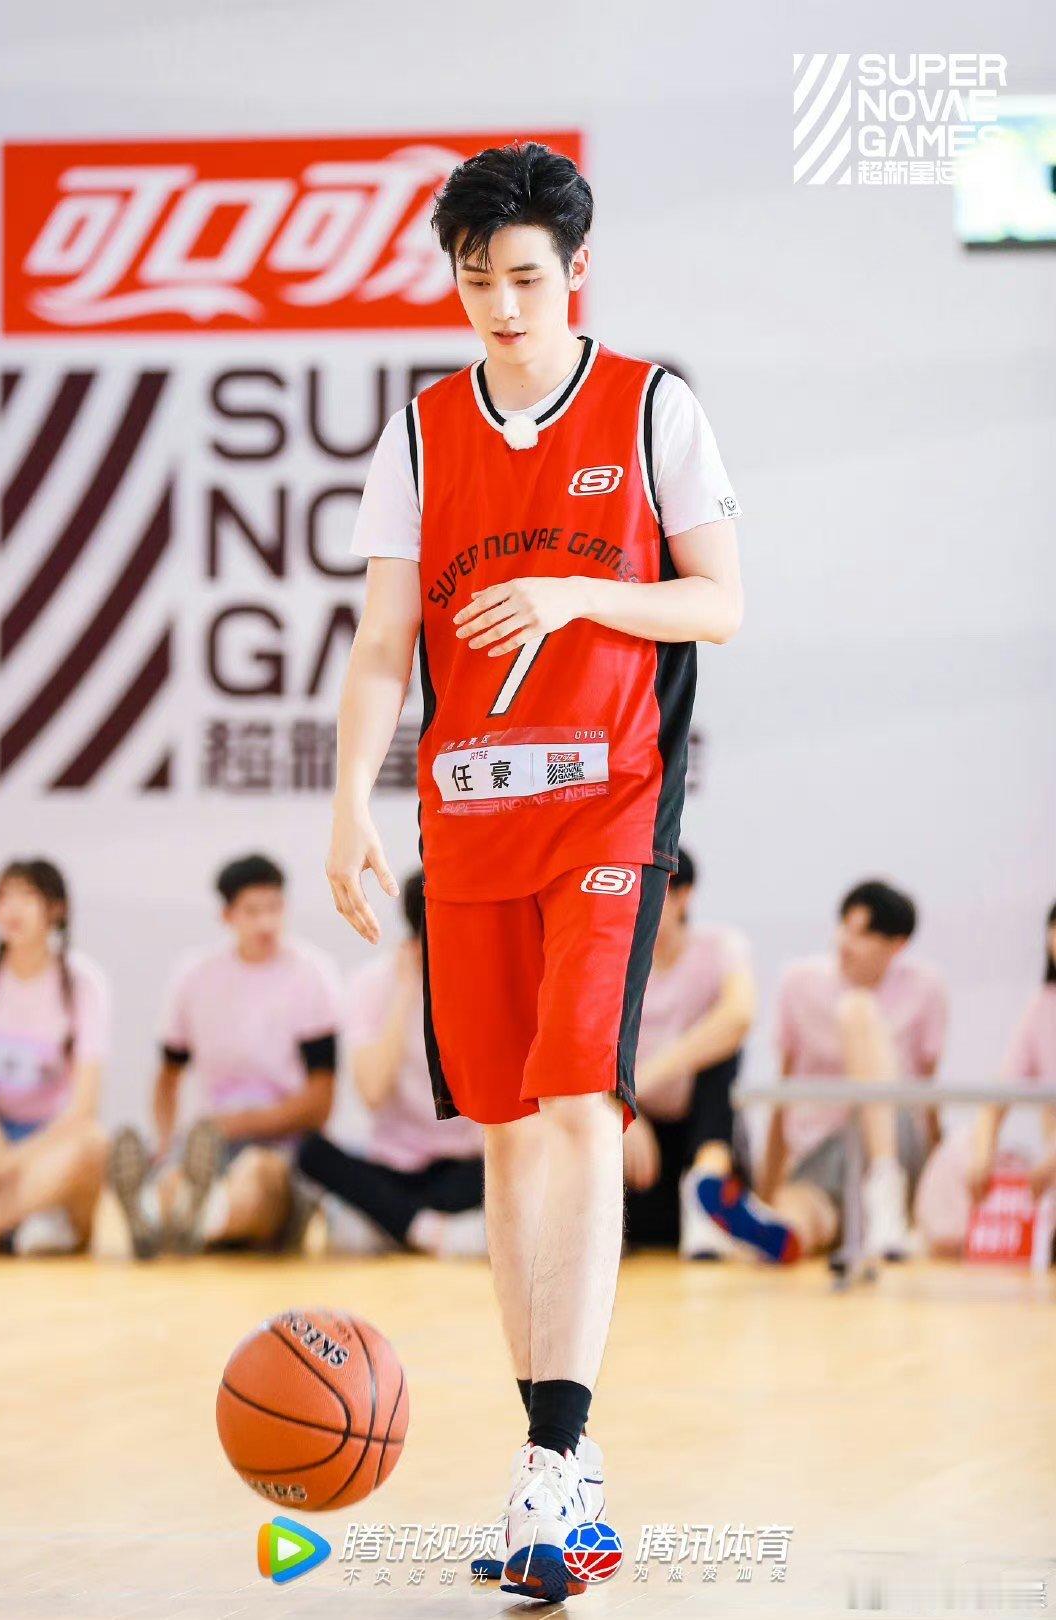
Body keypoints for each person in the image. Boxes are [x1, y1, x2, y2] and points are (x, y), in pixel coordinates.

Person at [325, 140, 743, 1600]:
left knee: (577, 1103)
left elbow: (722, 602)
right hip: (470, 820)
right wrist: (348, 802)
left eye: (524, 277)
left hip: (611, 810)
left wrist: (576, 590)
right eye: (475, 280)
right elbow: (384, 642)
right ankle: (562, 1456)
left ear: (575, 273)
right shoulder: (421, 433)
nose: (501, 306)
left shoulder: (651, 406)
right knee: (506, 1131)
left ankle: (550, 1460)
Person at [109, 853, 340, 1256]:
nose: (265, 923)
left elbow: (320, 1101)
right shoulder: (194, 977)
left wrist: (237, 1124)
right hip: (211, 1142)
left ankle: (189, 1219)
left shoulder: (310, 976)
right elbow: (169, 1074)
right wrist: (165, 1142)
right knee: (181, 1174)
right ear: (227, 915)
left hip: (283, 1145)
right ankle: (160, 1214)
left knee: (258, 1175)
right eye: (252, 911)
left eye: (274, 908)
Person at [753, 879, 948, 1262]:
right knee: (799, 1213)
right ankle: (773, 1229)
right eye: (845, 927)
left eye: (862, 934)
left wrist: (930, 1190)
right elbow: (784, 1089)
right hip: (821, 1148)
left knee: (857, 1010)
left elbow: (929, 1098)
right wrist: (767, 1189)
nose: (846, 942)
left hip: (894, 1139)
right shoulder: (800, 983)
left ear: (897, 945)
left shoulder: (925, 988)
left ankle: (886, 1193)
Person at [296, 870, 486, 1256]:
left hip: (464, 1168)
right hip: (394, 1166)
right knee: (311, 1152)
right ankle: (424, 1229)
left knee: (529, 1158)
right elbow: (372, 1093)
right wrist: (405, 993)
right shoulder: (372, 983)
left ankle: (399, 1223)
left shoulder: (485, 977)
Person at [622, 847, 772, 1258]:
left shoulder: (720, 946)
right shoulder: (615, 958)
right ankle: (698, 1213)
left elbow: (739, 1016)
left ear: (683, 895)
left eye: (650, 889)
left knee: (722, 1056)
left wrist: (634, 1088)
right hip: (642, 1141)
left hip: (700, 1126)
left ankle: (707, 1189)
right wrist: (624, 1109)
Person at [0, 858, 109, 1255]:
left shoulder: (84, 983)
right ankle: (22, 1217)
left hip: (47, 1142)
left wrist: (13, 1162)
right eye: (4, 897)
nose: (12, 909)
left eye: (27, 896)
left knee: (93, 1143)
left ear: (56, 909)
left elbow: (83, 1108)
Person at [914, 900, 1056, 1259]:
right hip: (1048, 1169)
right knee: (957, 1152)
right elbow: (998, 1095)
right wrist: (983, 1151)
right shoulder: (1042, 1006)